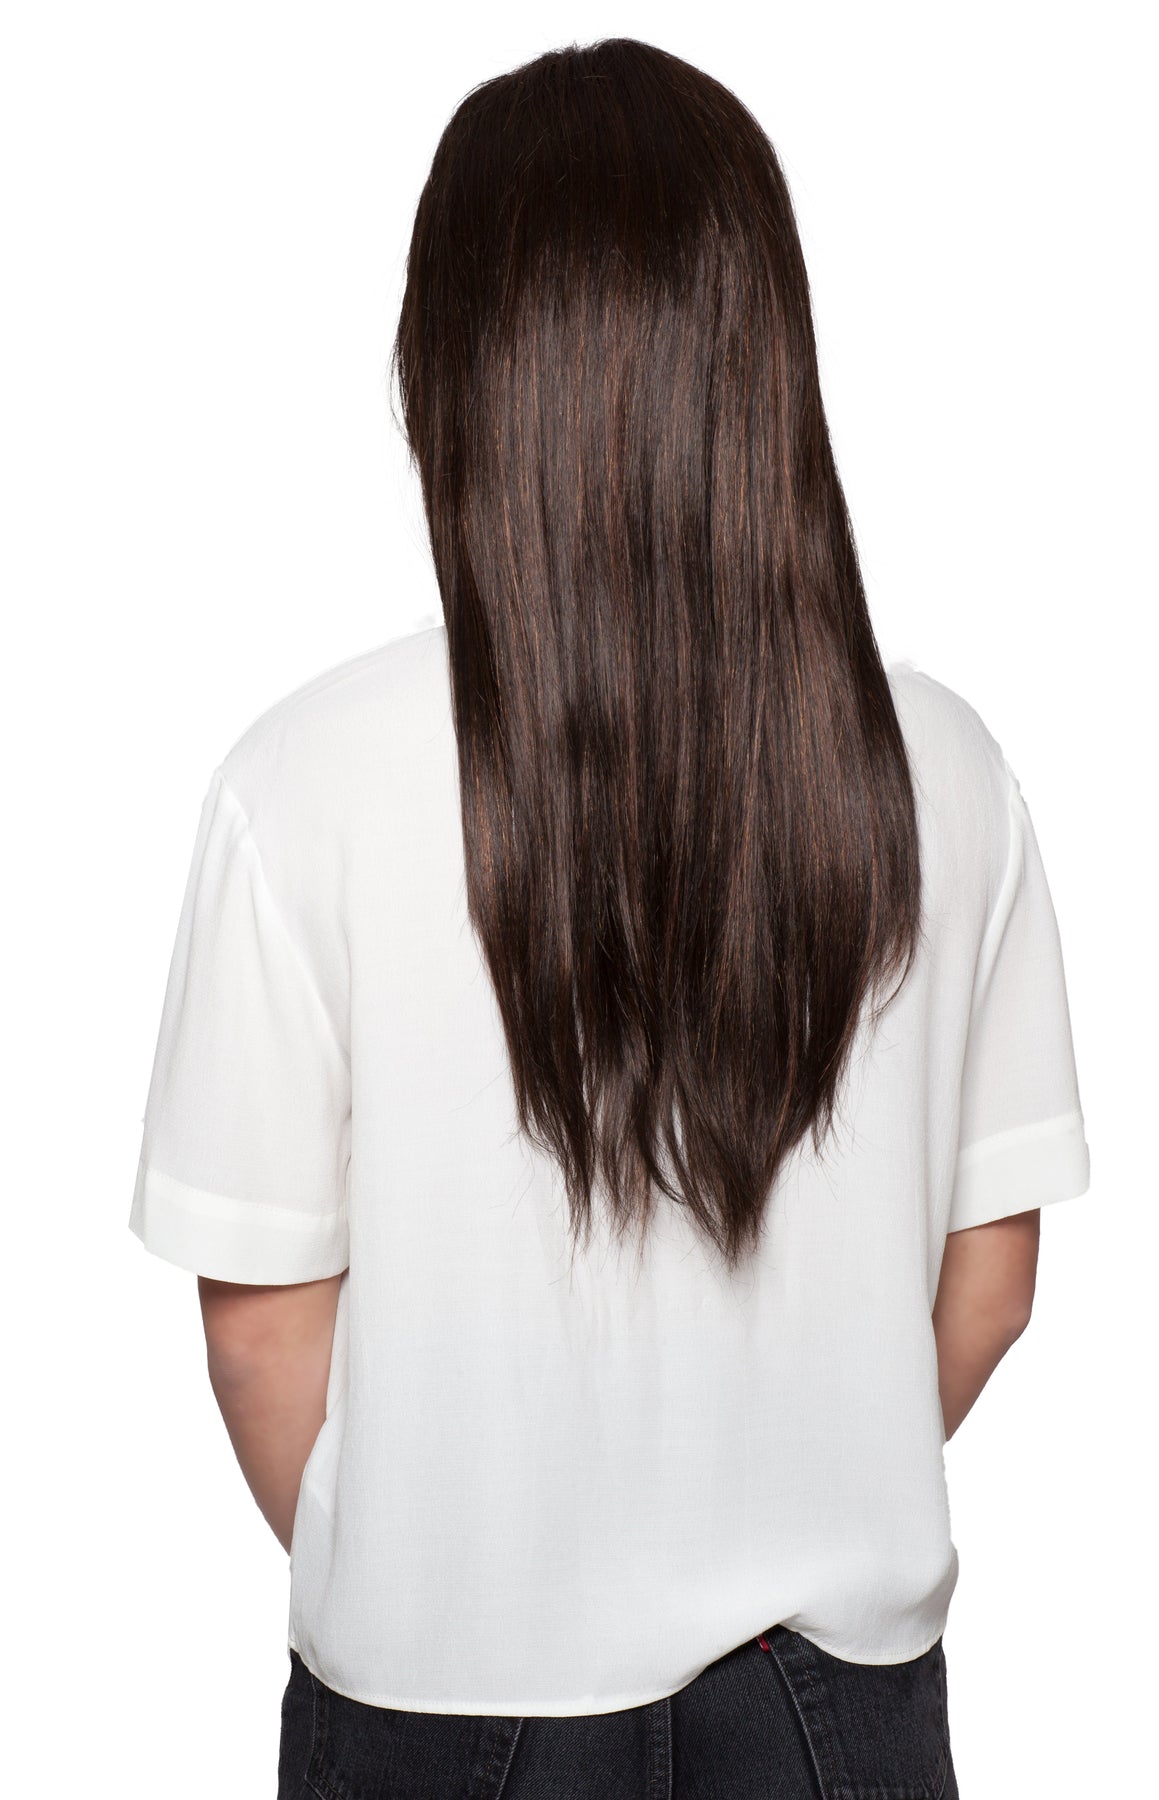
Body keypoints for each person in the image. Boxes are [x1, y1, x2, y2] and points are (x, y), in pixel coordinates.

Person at [128, 36, 1091, 1800]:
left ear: (450, 366)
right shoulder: (942, 768)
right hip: (836, 1707)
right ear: (764, 357)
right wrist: (781, 1495)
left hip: (444, 1693)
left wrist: (431, 1565)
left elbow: (261, 1333)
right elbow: (993, 1280)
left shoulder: (300, 783)